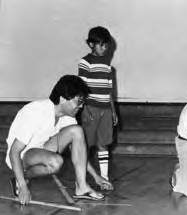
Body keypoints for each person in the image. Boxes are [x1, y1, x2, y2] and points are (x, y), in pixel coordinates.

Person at [6, 75, 113, 205]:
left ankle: (82, 187)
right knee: (55, 162)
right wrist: (23, 186)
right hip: (22, 156)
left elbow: (79, 151)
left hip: (42, 149)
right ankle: (20, 178)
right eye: (78, 101)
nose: (81, 106)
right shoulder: (35, 112)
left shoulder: (67, 117)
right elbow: (14, 152)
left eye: (83, 102)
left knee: (77, 131)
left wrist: (96, 177)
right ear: (63, 99)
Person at [78, 26, 118, 185]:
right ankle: (81, 181)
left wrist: (113, 111)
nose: (104, 48)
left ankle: (104, 179)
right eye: (101, 44)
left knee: (103, 144)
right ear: (91, 44)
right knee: (86, 145)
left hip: (106, 110)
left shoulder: (108, 66)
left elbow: (109, 91)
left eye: (106, 45)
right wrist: (85, 109)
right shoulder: (85, 62)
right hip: (91, 109)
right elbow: (81, 88)